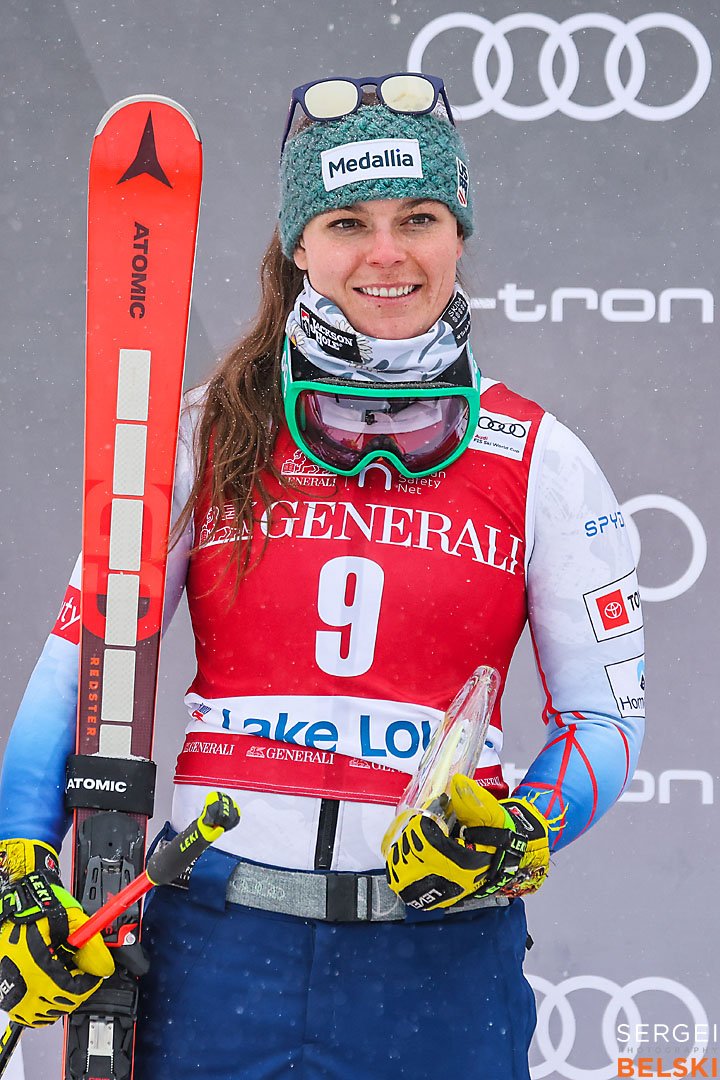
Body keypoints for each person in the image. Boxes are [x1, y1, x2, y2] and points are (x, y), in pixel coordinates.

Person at [0, 73, 645, 1079]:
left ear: (458, 236)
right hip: (216, 951)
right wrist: (22, 868)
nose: (386, 254)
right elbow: (81, 657)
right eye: (347, 221)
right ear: (300, 244)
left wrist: (521, 828)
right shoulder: (201, 436)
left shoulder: (539, 459)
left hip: (439, 963)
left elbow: (603, 723)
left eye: (419, 218)